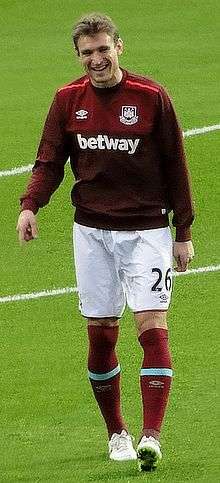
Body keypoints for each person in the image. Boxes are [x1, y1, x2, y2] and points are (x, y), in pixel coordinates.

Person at [17, 12, 195, 472]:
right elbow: (49, 161)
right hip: (91, 232)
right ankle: (117, 432)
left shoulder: (151, 96)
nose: (96, 59)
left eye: (103, 49)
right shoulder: (66, 101)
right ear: (78, 56)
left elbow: (176, 165)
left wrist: (184, 232)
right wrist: (31, 205)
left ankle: (151, 435)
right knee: (100, 335)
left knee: (152, 328)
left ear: (120, 46)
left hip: (147, 231)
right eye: (87, 53)